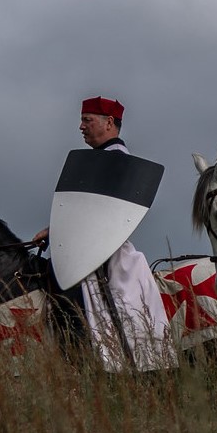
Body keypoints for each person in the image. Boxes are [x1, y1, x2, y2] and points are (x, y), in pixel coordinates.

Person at [36, 96, 175, 373]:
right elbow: (81, 212)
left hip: (103, 253)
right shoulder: (94, 162)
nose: (81, 126)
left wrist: (57, 230)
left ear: (109, 122)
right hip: (83, 248)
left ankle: (85, 362)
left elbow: (102, 217)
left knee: (82, 300)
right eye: (82, 120)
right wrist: (56, 230)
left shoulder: (118, 162)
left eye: (87, 120)